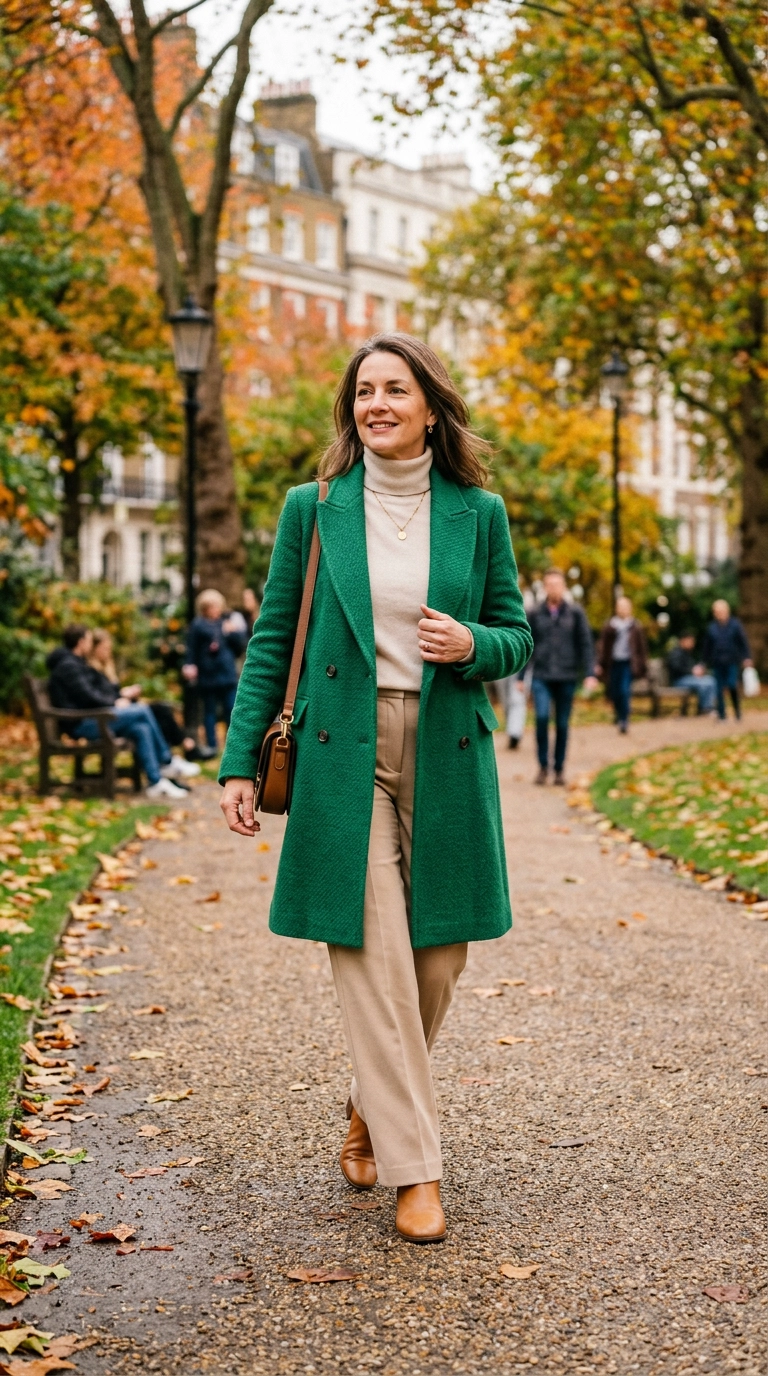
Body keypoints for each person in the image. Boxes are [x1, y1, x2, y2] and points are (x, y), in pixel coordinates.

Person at [219, 332, 533, 1245]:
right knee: (372, 950)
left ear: (431, 405)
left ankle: (368, 1102)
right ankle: (415, 1170)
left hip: (445, 748)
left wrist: (475, 645)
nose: (377, 405)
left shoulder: (480, 513)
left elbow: (516, 635)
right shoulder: (313, 509)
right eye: (364, 392)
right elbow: (272, 639)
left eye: (396, 389)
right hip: (338, 749)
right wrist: (240, 762)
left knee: (436, 962)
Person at [47, 625, 189, 799]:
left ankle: (155, 782)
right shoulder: (68, 666)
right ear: (81, 642)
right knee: (142, 710)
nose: (90, 645)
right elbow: (88, 696)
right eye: (89, 641)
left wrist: (116, 699)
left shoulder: (75, 663)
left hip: (91, 719)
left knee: (140, 728)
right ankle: (166, 760)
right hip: (81, 724)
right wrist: (114, 702)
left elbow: (92, 694)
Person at [89, 629, 203, 769]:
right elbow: (97, 696)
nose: (108, 652)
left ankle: (162, 771)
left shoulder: (106, 668)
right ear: (94, 649)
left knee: (156, 715)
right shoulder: (91, 670)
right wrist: (117, 699)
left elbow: (109, 693)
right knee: (152, 712)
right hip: (108, 717)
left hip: (118, 711)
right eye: (105, 648)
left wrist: (124, 693)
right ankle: (170, 756)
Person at [527, 570, 597, 784]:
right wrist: (521, 677)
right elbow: (527, 644)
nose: (553, 588)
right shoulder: (535, 613)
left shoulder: (576, 613)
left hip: (567, 675)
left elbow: (586, 644)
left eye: (557, 584)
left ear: (564, 587)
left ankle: (558, 769)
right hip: (541, 675)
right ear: (544, 587)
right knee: (540, 719)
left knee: (562, 724)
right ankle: (542, 767)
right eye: (549, 584)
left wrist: (590, 673)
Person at [183, 590, 247, 752]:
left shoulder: (227, 622)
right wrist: (190, 665)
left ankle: (232, 745)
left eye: (216, 606)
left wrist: (232, 632)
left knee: (231, 710)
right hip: (208, 675)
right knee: (209, 711)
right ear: (204, 608)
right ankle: (212, 745)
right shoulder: (198, 625)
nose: (214, 609)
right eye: (210, 607)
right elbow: (191, 649)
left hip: (227, 674)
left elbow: (240, 646)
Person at [596, 595, 649, 734]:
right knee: (614, 692)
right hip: (613, 663)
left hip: (627, 663)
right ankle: (619, 714)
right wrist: (600, 663)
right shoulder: (610, 625)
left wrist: (643, 665)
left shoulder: (635, 626)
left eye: (625, 606)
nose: (623, 609)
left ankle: (624, 719)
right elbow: (602, 646)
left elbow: (641, 648)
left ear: (630, 609)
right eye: (620, 606)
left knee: (624, 691)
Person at [703, 599, 753, 721]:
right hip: (717, 662)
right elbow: (707, 647)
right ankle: (722, 715)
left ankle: (737, 711)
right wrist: (703, 662)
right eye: (716, 611)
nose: (718, 613)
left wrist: (747, 657)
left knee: (732, 685)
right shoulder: (712, 627)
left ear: (726, 611)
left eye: (720, 611)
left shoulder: (735, 625)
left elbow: (743, 643)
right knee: (718, 689)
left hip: (731, 661)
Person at [665, 632, 717, 714]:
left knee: (711, 680)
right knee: (705, 684)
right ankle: (705, 709)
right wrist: (692, 671)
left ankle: (708, 707)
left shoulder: (687, 653)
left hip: (689, 679)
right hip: (679, 680)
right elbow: (676, 668)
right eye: (690, 641)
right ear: (683, 641)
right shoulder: (676, 653)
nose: (692, 644)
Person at [493, 670, 529, 749]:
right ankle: (511, 731)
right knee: (505, 703)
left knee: (517, 701)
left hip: (520, 668)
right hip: (501, 669)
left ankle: (515, 733)